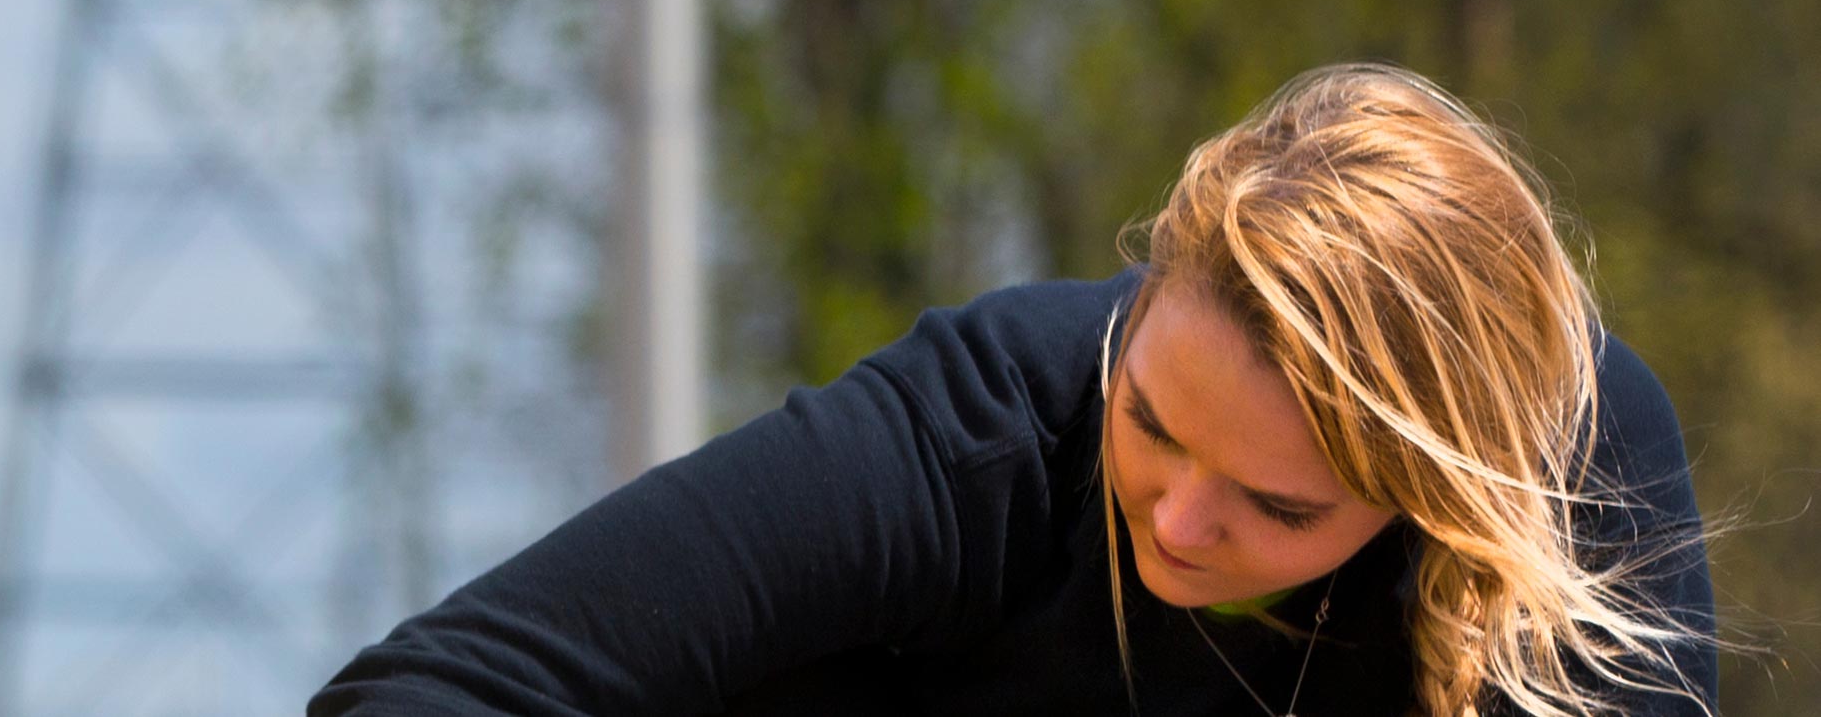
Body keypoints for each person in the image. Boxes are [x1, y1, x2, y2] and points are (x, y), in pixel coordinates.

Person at [315, 63, 1718, 716]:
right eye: (1151, 428)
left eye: (1273, 507)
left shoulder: (1571, 469)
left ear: (1447, 501)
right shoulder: (984, 424)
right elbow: (442, 685)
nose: (1174, 521)